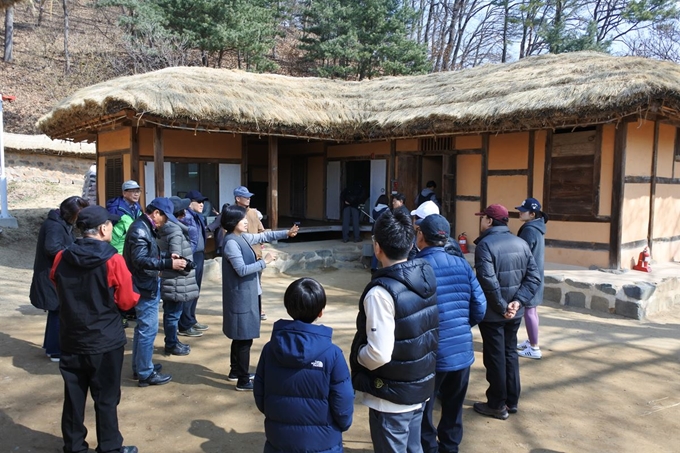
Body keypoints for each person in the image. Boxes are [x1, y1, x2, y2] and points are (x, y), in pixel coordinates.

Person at [50, 205, 139, 453]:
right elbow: (127, 301)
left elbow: (54, 280)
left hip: (71, 337)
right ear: (102, 229)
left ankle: (74, 445)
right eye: (110, 224)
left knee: (74, 396)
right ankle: (110, 447)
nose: (111, 227)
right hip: (105, 339)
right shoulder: (113, 260)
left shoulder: (61, 256)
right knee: (107, 397)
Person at [349, 209, 439, 452]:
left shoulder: (380, 292)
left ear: (377, 248)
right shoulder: (424, 275)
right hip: (418, 385)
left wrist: (357, 355)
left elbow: (378, 354)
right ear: (411, 243)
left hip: (391, 396)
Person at [253, 277, 354, 452]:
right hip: (324, 443)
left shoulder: (270, 349)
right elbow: (343, 401)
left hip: (279, 441)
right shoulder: (333, 354)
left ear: (288, 307)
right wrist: (342, 425)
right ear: (321, 311)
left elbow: (260, 394)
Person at [415, 215, 487, 453]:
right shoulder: (462, 265)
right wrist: (462, 327)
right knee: (454, 407)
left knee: (424, 408)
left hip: (429, 352)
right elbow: (480, 306)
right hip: (461, 350)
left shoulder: (416, 267)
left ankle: (428, 447)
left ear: (421, 236)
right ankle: (450, 447)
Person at [472, 204, 541, 420]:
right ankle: (512, 400)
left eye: (483, 218)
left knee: (495, 357)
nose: (481, 221)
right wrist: (518, 303)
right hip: (514, 312)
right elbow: (534, 277)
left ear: (490, 221)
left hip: (495, 313)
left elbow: (487, 280)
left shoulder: (485, 245)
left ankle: (496, 404)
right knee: (509, 353)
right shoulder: (521, 243)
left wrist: (504, 306)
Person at [221, 204, 299, 391]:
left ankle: (235, 372)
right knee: (244, 337)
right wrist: (264, 262)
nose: (246, 221)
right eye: (242, 219)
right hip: (241, 296)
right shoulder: (231, 242)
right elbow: (241, 270)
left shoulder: (241, 237)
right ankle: (243, 380)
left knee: (240, 336)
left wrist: (285, 233)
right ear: (233, 222)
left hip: (248, 292)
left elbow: (263, 236)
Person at [124, 197, 187, 387]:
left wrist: (167, 256)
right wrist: (169, 263)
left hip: (146, 283)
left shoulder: (144, 227)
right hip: (144, 286)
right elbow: (140, 260)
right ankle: (145, 372)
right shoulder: (140, 230)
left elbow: (148, 254)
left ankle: (141, 366)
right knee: (147, 330)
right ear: (156, 213)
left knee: (144, 329)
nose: (165, 222)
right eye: (165, 218)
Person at [29, 195, 90, 362]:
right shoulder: (55, 226)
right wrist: (74, 251)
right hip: (50, 276)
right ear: (71, 213)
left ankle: (51, 347)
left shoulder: (60, 223)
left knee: (56, 312)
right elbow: (52, 248)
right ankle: (55, 350)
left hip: (52, 275)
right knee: (58, 311)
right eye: (80, 214)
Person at [157, 196, 199, 357]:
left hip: (172, 279)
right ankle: (171, 344)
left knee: (172, 313)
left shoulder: (167, 227)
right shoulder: (174, 230)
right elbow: (176, 257)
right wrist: (186, 269)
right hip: (176, 279)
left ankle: (173, 340)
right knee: (173, 314)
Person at [515, 197, 548, 360]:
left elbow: (522, 253)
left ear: (532, 214)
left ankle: (534, 347)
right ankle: (531, 340)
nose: (519, 213)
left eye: (523, 211)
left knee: (529, 310)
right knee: (532, 310)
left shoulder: (529, 230)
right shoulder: (537, 227)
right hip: (537, 274)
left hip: (529, 276)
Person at [178, 190, 210, 337]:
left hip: (199, 255)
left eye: (203, 201)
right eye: (199, 201)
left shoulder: (198, 217)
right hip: (190, 256)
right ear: (189, 202)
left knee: (195, 290)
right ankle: (185, 324)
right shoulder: (186, 217)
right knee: (189, 291)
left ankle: (191, 318)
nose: (202, 204)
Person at [233, 186, 268, 320]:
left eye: (249, 197)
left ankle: (258, 308)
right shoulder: (233, 212)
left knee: (257, 284)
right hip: (240, 256)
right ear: (237, 198)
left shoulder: (253, 212)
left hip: (256, 254)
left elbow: (261, 230)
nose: (248, 199)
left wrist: (261, 243)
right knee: (241, 285)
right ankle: (242, 309)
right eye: (245, 197)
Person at [107, 180, 143, 255]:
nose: (136, 194)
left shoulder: (137, 207)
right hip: (117, 250)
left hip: (131, 248)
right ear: (124, 193)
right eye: (133, 191)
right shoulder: (115, 209)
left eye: (138, 191)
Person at [370, 195, 390, 273]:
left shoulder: (374, 209)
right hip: (382, 231)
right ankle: (385, 266)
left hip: (374, 231)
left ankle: (373, 267)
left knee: (376, 249)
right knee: (384, 249)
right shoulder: (387, 210)